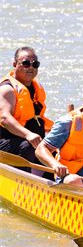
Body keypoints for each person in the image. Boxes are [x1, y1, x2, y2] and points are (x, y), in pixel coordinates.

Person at [0, 47, 65, 177]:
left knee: (51, 151)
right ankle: (21, 184)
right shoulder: (7, 89)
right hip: (6, 142)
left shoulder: (36, 89)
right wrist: (28, 134)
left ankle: (53, 186)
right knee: (27, 146)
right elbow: (4, 118)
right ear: (14, 64)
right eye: (25, 63)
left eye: (35, 64)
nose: (30, 67)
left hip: (31, 141)